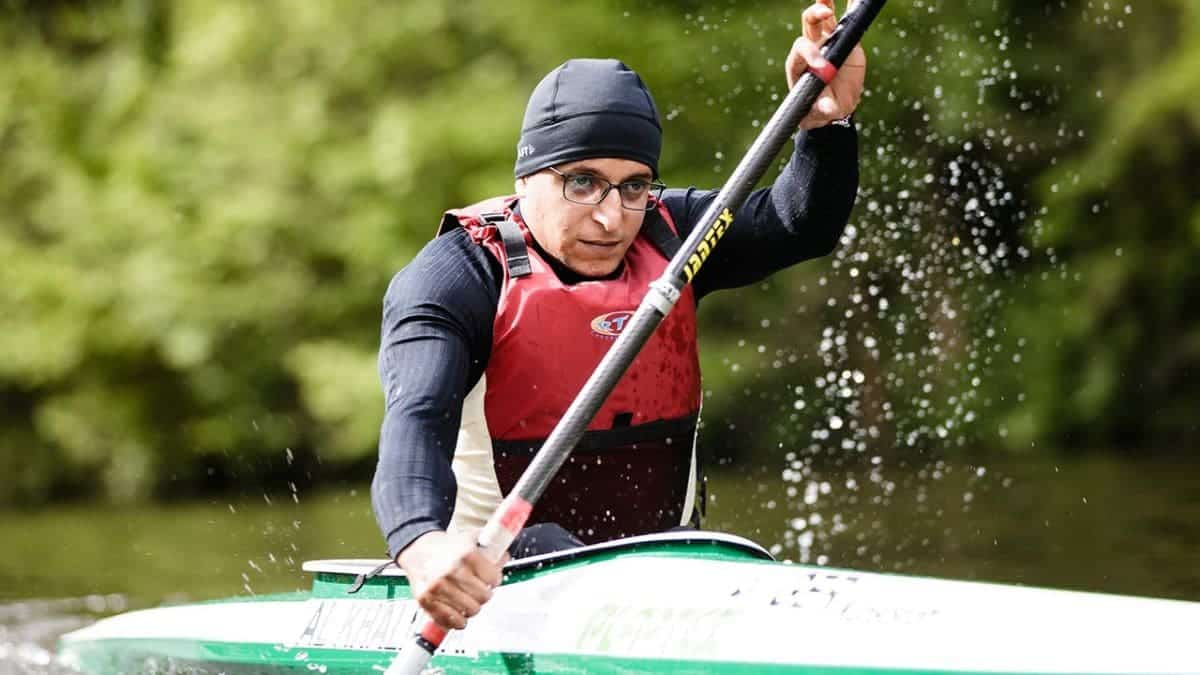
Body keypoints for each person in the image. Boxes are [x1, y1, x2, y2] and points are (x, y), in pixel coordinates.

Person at [372, 0, 866, 632]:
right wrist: (422, 545)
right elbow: (414, 424)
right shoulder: (457, 278)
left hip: (671, 582)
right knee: (540, 541)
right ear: (526, 181)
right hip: (495, 590)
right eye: (582, 183)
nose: (612, 217)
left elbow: (800, 223)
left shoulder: (677, 236)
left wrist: (827, 126)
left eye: (634, 186)